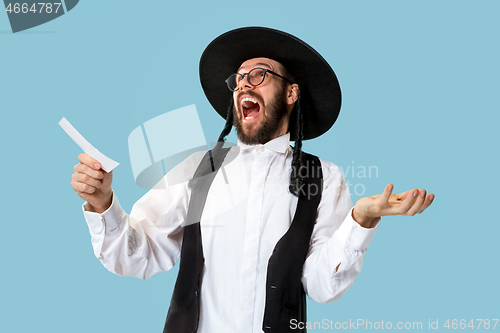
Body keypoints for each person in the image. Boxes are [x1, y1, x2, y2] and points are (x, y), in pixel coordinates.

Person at [70, 27, 434, 333]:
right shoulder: (200, 167)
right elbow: (137, 256)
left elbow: (322, 286)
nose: (244, 85)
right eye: (238, 79)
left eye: (258, 75)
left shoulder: (321, 176)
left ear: (291, 93)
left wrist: (362, 219)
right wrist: (103, 203)